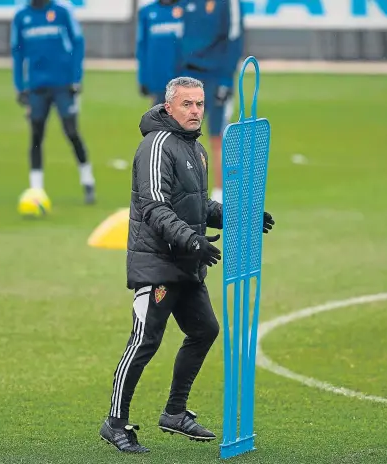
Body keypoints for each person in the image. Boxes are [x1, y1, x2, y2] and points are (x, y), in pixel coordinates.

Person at [99, 77, 274, 454]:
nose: (195, 111)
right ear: (168, 108)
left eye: (199, 104)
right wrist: (193, 241)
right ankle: (114, 423)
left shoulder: (194, 150)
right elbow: (154, 207)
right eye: (187, 105)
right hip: (158, 263)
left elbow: (198, 208)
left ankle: (174, 412)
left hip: (187, 263)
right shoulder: (156, 145)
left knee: (205, 331)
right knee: (144, 342)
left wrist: (241, 215)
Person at [11, 0, 96, 204]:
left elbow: (77, 42)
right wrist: (20, 86)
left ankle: (87, 180)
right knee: (36, 135)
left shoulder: (62, 12)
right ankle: (36, 189)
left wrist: (76, 78)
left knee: (71, 132)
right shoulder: (22, 16)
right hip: (37, 86)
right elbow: (17, 52)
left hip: (63, 85)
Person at [178, 0, 244, 203]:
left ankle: (220, 194)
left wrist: (226, 80)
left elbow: (235, 38)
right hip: (190, 74)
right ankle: (183, 192)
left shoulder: (229, 3)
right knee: (182, 135)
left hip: (216, 77)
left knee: (218, 136)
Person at [136, 0, 183, 107]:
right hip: (157, 78)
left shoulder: (187, 9)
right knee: (159, 118)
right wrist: (143, 79)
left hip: (182, 77)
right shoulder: (147, 12)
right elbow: (142, 48)